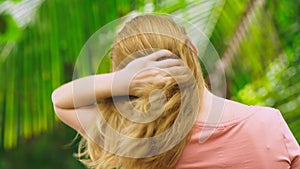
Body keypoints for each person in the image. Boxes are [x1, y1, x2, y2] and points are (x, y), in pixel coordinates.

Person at [51, 14, 300, 169]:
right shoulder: (268, 125)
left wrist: (123, 81)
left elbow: (61, 101)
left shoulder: (135, 142)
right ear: (192, 49)